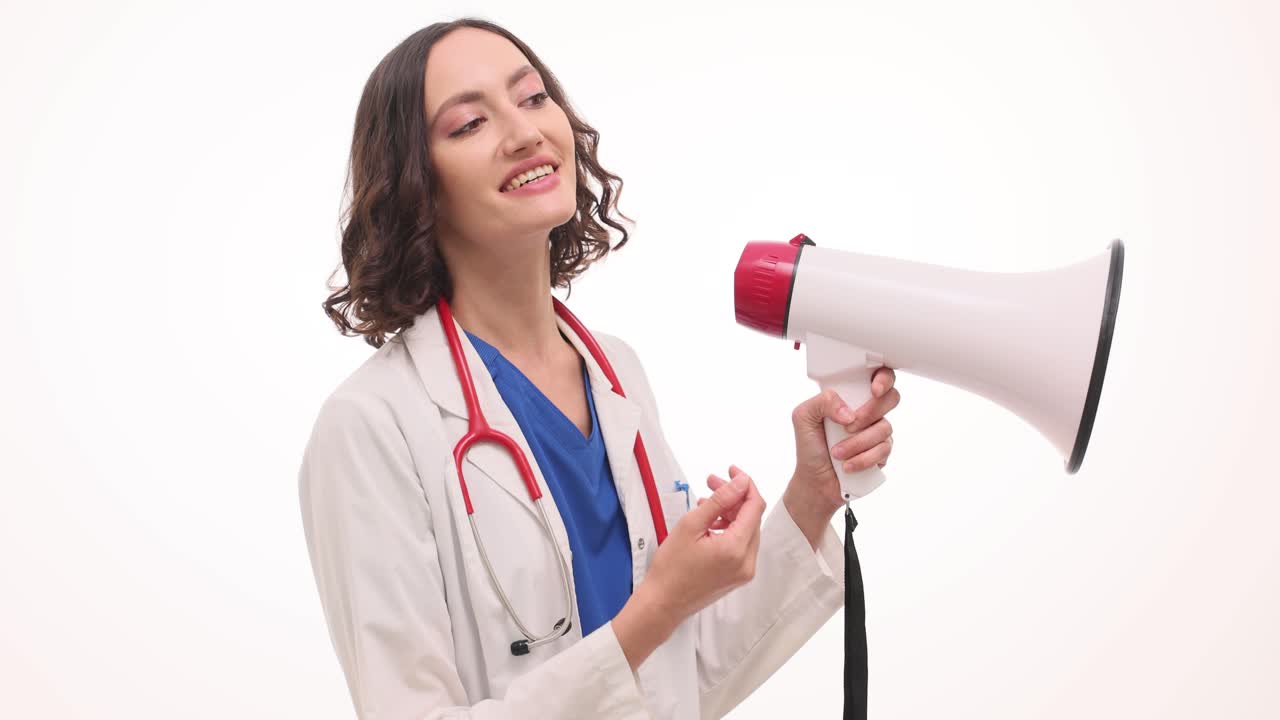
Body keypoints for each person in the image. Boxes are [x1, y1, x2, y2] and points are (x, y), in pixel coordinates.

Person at [297, 17, 900, 720]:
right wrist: (658, 606)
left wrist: (812, 497)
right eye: (469, 124)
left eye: (532, 98)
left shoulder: (617, 372)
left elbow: (681, 680)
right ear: (416, 187)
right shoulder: (372, 427)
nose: (524, 133)